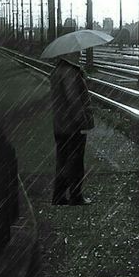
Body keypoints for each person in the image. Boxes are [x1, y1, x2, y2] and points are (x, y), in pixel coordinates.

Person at [50, 50, 94, 205]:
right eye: (77, 52)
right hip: (72, 125)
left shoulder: (58, 70)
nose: (80, 54)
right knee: (75, 161)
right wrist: (82, 121)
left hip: (60, 124)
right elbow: (73, 99)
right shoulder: (70, 72)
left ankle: (59, 196)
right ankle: (76, 196)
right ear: (69, 54)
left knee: (62, 160)